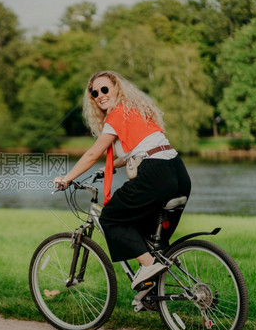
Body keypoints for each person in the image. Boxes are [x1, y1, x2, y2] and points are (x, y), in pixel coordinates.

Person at [53, 70, 191, 294]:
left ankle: (150, 267)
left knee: (111, 218)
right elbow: (140, 147)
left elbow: (92, 154)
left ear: (117, 88)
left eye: (105, 89)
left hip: (155, 173)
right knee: (148, 237)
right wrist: (111, 166)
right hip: (177, 172)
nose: (100, 95)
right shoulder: (136, 111)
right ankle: (153, 291)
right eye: (94, 93)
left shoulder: (116, 115)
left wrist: (67, 178)